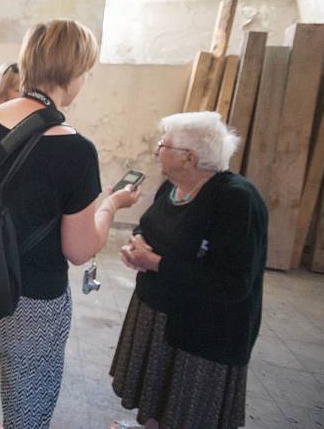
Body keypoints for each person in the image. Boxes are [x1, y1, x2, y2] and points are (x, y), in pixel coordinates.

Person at [0, 20, 142, 429]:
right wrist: (111, 207)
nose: (86, 79)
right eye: (87, 71)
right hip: (34, 299)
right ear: (73, 73)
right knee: (28, 394)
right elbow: (79, 249)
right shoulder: (76, 149)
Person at [110, 111, 268, 429]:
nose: (157, 150)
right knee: (157, 395)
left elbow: (233, 283)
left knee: (186, 410)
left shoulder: (236, 200)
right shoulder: (174, 186)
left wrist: (155, 263)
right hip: (159, 314)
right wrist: (138, 241)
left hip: (202, 330)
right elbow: (152, 223)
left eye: (163, 144)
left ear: (189, 158)